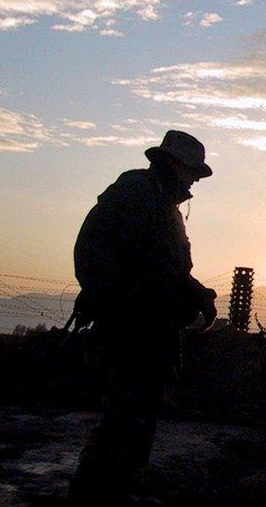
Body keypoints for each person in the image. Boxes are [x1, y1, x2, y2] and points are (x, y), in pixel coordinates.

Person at [68, 130, 218, 502]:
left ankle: (117, 488)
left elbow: (168, 271)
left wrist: (197, 294)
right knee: (125, 418)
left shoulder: (163, 206)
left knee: (137, 416)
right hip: (131, 328)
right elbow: (94, 251)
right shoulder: (135, 194)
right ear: (174, 165)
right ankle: (97, 494)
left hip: (150, 329)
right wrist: (123, 301)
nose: (195, 181)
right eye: (193, 173)